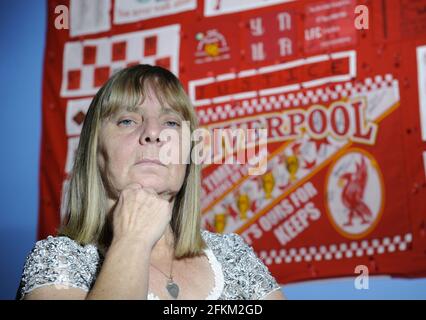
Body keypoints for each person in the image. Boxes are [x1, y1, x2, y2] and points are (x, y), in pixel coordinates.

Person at [16, 64, 285, 300]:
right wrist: (133, 239)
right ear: (95, 151)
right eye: (127, 120)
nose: (154, 132)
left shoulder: (233, 255)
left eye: (170, 123)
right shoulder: (58, 259)